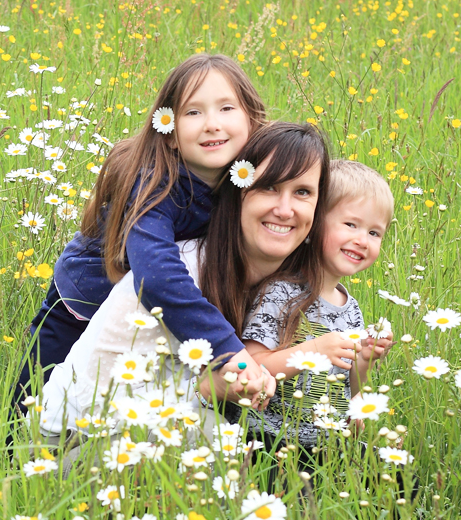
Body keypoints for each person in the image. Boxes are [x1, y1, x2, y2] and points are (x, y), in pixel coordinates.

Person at [33, 123, 359, 446]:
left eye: (302, 192)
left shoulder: (290, 287)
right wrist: (212, 388)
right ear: (237, 194)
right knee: (222, 444)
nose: (285, 209)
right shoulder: (178, 276)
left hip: (164, 434)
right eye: (268, 187)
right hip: (78, 441)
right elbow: (100, 399)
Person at [18, 54, 272, 410]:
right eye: (193, 112)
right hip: (82, 307)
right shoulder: (155, 184)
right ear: (168, 133)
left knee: (138, 411)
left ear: (252, 119)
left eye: (227, 108)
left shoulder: (250, 179)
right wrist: (226, 348)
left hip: (153, 322)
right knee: (29, 415)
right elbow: (156, 277)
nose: (212, 124)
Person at [216, 159, 396, 451]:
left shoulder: (350, 308)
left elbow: (348, 384)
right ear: (314, 224)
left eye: (374, 233)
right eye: (351, 224)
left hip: (325, 445)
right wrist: (314, 351)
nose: (363, 240)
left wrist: (364, 362)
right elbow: (252, 366)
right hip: (268, 439)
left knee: (402, 479)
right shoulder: (281, 293)